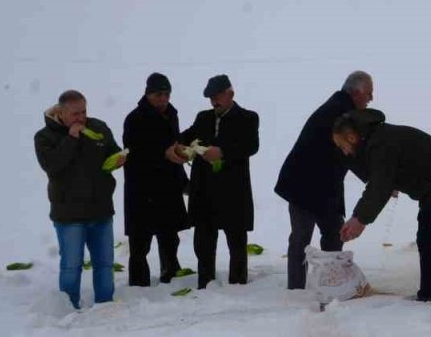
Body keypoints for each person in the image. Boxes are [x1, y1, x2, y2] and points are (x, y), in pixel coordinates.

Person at [333, 109, 431, 302]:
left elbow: (379, 185)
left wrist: (360, 219)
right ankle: (428, 293)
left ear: (351, 137)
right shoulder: (376, 139)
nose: (344, 151)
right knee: (426, 239)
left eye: (342, 145)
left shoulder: (380, 142)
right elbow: (380, 180)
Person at [274, 71, 374, 289]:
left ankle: (331, 283)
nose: (371, 99)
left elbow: (349, 155)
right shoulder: (340, 113)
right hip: (304, 184)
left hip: (324, 187)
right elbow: (351, 155)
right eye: (369, 93)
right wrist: (373, 178)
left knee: (332, 234)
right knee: (302, 237)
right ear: (357, 93)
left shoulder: (340, 108)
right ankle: (297, 289)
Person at [34, 89, 125, 309]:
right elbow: (52, 166)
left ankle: (105, 304)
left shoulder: (98, 127)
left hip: (101, 208)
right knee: (71, 265)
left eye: (84, 111)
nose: (81, 117)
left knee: (104, 264)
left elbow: (112, 150)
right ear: (61, 113)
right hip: (69, 214)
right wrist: (72, 138)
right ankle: (68, 306)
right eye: (75, 114)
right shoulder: (45, 137)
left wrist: (118, 158)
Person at [171, 75, 260, 288]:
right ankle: (205, 282)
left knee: (236, 240)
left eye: (217, 97)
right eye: (211, 98)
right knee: (204, 241)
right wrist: (179, 148)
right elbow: (187, 137)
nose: (214, 102)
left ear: (230, 94)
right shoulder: (203, 118)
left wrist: (222, 152)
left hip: (233, 190)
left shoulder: (248, 117)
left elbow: (251, 146)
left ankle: (238, 283)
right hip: (204, 190)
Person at [122, 72, 190, 286]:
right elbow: (134, 152)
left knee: (170, 236)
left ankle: (170, 272)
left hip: (168, 185)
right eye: (159, 94)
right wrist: (164, 153)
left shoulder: (172, 114)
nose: (163, 99)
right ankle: (139, 283)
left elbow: (175, 144)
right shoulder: (134, 119)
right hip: (142, 187)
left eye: (167, 94)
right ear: (148, 94)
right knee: (140, 242)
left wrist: (183, 180)